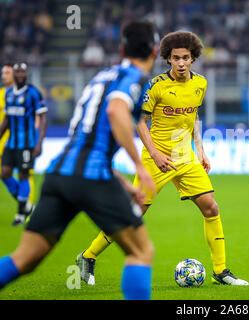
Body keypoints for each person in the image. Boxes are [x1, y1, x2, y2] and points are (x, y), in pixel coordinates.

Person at [0, 20, 159, 300]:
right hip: (91, 177)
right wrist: (138, 165)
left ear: (121, 48)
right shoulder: (135, 79)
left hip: (60, 174)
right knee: (141, 251)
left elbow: (87, 142)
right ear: (155, 51)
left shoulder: (101, 77)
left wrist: (123, 184)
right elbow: (115, 110)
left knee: (26, 258)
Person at [77, 30, 249, 286]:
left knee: (211, 207)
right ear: (168, 59)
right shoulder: (155, 86)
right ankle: (88, 256)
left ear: (193, 58)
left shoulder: (200, 83)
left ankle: (221, 271)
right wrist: (155, 154)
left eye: (186, 58)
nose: (181, 63)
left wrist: (200, 149)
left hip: (186, 156)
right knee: (135, 212)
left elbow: (193, 117)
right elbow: (140, 122)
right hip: (156, 157)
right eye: (176, 58)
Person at [0, 62, 46, 226]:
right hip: (11, 143)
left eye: (22, 72)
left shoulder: (34, 93)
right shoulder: (8, 94)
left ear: (27, 74)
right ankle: (25, 205)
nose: (20, 75)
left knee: (23, 175)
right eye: (17, 72)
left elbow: (43, 118)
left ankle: (21, 213)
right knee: (4, 173)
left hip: (27, 143)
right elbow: (7, 118)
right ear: (14, 74)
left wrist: (39, 142)